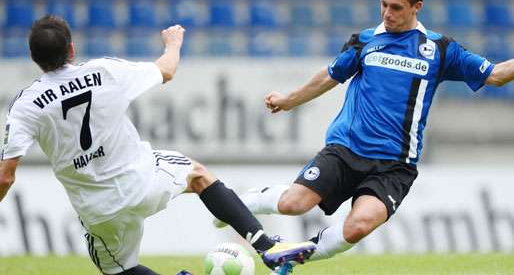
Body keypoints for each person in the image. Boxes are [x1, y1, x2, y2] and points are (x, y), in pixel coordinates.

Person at [215, 0, 514, 273]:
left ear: (416, 7)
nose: (387, 13)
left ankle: (291, 256)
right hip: (346, 149)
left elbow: (497, 75)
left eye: (396, 7)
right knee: (295, 203)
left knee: (358, 226)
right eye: (383, 4)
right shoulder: (366, 40)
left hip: (395, 165)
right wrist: (289, 100)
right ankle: (239, 203)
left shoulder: (440, 48)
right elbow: (329, 75)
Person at [0, 15, 315, 275]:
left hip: (100, 208)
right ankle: (267, 246)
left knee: (120, 270)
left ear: (34, 58)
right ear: (71, 49)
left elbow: (6, 176)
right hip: (144, 179)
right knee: (198, 175)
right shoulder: (103, 70)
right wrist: (173, 43)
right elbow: (166, 69)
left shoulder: (25, 105)